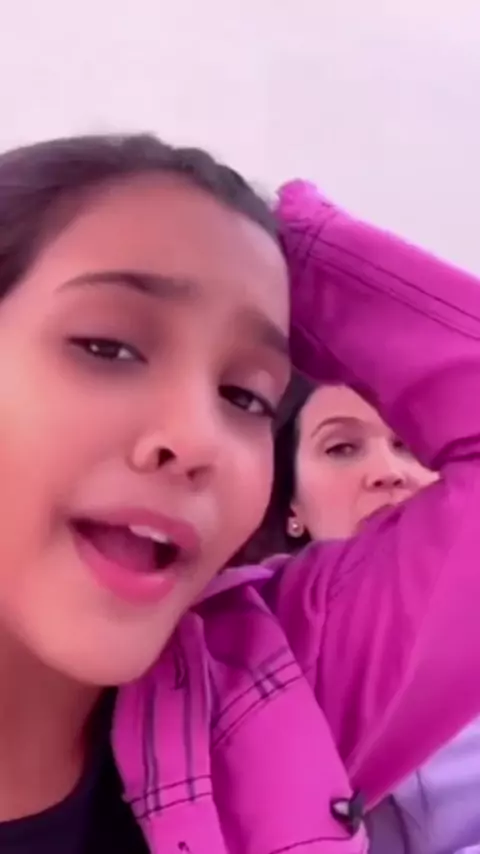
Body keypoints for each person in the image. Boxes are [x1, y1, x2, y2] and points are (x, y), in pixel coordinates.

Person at [1, 137, 480, 854]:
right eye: (108, 347)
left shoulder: (273, 699)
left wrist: (296, 255)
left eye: (245, 396)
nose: (199, 439)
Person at [284, 382, 480, 853]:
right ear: (292, 505)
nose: (388, 473)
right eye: (342, 448)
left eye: (411, 445)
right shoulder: (242, 667)